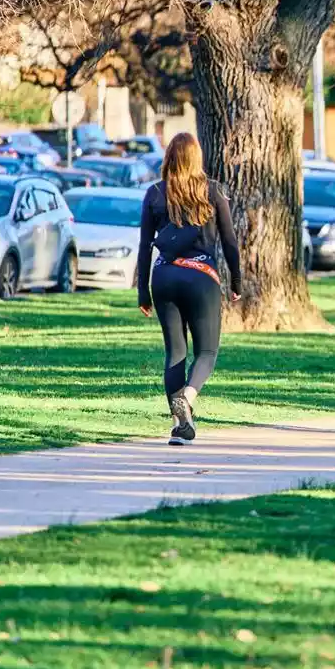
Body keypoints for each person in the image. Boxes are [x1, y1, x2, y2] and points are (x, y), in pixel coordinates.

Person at [137, 133, 242, 445]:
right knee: (207, 351)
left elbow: (145, 247)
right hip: (200, 276)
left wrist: (143, 290)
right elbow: (229, 241)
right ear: (197, 158)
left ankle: (181, 425)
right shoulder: (213, 192)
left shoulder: (155, 194)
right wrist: (236, 281)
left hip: (164, 277)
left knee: (175, 352)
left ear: (169, 157)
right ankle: (188, 396)